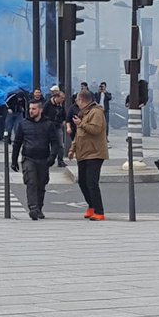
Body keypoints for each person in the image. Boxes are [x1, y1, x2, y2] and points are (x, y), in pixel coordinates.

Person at [11, 99, 59, 220]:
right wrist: (14, 160)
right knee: (31, 182)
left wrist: (53, 156)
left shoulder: (48, 124)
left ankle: (39, 208)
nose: (31, 111)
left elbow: (55, 142)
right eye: (30, 109)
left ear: (40, 110)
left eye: (34, 109)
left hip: (43, 158)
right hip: (29, 158)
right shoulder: (24, 124)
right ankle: (33, 208)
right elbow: (17, 143)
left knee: (41, 184)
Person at [69, 90, 109, 221]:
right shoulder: (84, 113)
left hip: (94, 153)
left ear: (82, 100)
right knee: (82, 182)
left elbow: (96, 130)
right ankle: (91, 206)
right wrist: (72, 148)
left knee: (91, 182)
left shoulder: (96, 112)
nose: (76, 103)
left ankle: (99, 210)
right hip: (83, 153)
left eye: (77, 101)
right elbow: (78, 134)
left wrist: (81, 124)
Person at [43, 88, 68, 168]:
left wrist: (64, 121)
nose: (63, 100)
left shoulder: (61, 105)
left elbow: (64, 114)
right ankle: (48, 160)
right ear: (56, 97)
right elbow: (43, 114)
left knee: (60, 144)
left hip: (58, 126)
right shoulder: (48, 104)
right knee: (48, 144)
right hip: (49, 127)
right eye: (61, 98)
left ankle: (60, 161)